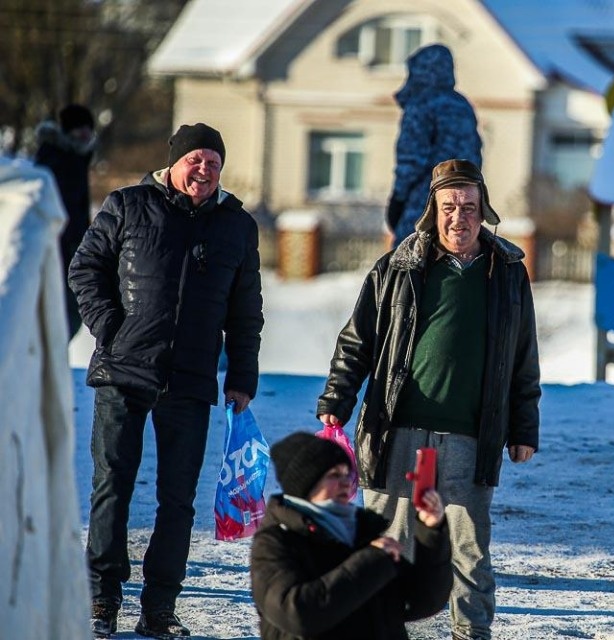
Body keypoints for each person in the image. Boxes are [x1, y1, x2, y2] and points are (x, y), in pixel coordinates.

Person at [317, 158, 540, 640]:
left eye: (469, 206)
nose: (459, 216)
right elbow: (357, 341)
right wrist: (338, 395)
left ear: (484, 212)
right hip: (397, 427)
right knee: (385, 540)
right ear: (431, 213)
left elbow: (523, 358)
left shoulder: (507, 274)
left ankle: (471, 632)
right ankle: (375, 626)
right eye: (449, 206)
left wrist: (524, 428)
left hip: (469, 434)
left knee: (468, 546)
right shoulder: (397, 268)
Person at [69, 123, 264, 638]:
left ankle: (159, 607)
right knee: (112, 484)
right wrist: (112, 329)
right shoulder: (128, 205)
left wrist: (242, 373)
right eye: (196, 160)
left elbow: (247, 311)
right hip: (123, 371)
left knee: (178, 499)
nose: (204, 170)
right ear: (173, 162)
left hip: (191, 378)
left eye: (214, 163)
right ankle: (102, 599)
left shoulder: (237, 226)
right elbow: (86, 268)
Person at [250, 432, 452, 640]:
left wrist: (431, 533)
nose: (346, 482)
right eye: (334, 475)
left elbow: (423, 601)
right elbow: (297, 614)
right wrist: (371, 561)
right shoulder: (275, 541)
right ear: (306, 485)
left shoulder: (361, 531)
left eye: (348, 474)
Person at [386, 43, 482, 247]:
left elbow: (411, 160)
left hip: (424, 202)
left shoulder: (421, 104)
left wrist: (398, 199)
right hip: (464, 203)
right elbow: (475, 155)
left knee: (406, 265)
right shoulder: (463, 106)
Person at [35, 103, 97, 338]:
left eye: (87, 128)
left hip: (72, 247)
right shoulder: (57, 159)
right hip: (57, 248)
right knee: (66, 314)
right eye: (78, 128)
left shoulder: (76, 158)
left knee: (70, 314)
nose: (85, 133)